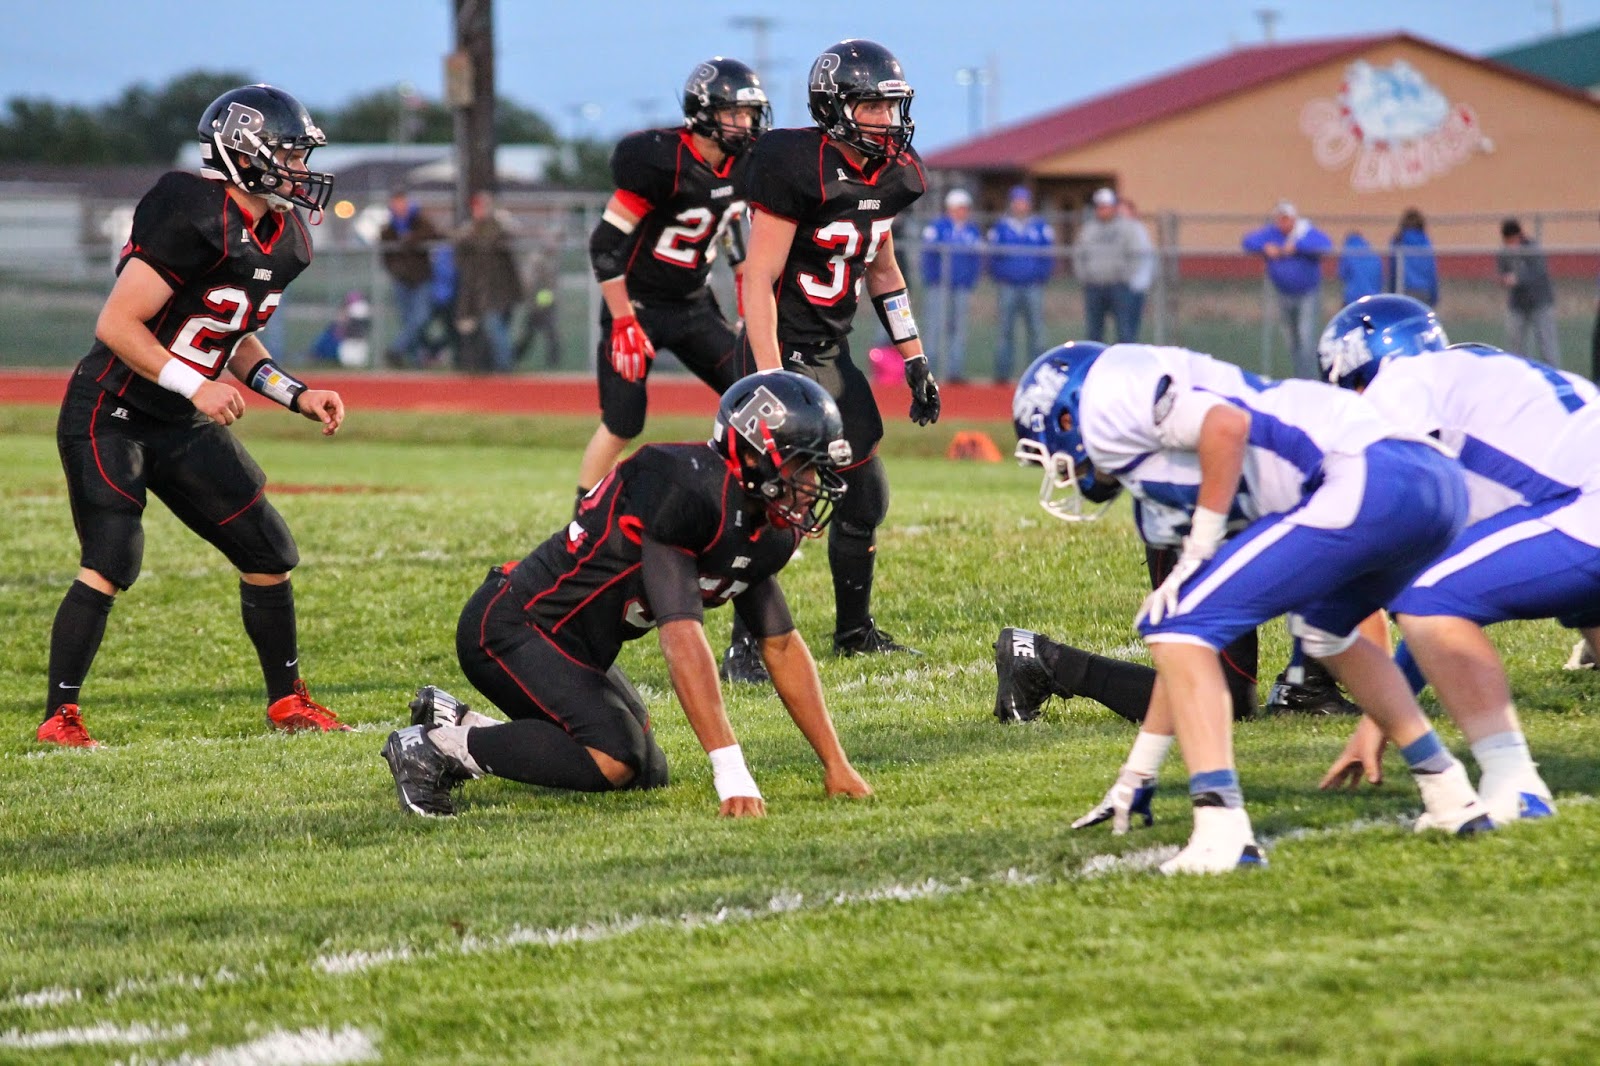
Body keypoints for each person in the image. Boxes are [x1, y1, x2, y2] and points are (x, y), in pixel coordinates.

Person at [1011, 339, 1492, 873]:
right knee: (1322, 634)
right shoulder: (1158, 485)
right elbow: (1185, 661)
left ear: (1067, 415)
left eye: (1046, 448)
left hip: (1364, 471)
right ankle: (1450, 794)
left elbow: (1225, 426)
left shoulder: (1111, 394)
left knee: (1181, 625)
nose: (1058, 472)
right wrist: (1138, 772)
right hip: (1433, 485)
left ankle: (1223, 831)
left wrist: (1201, 542)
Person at [381, 372, 872, 817]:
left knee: (644, 771)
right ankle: (431, 749)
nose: (811, 484)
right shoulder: (685, 489)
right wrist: (732, 774)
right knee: (614, 757)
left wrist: (836, 764)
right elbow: (681, 637)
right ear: (750, 455)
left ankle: (455, 721)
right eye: (801, 466)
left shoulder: (767, 529)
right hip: (512, 628)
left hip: (575, 645)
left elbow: (780, 644)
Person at [40, 84, 348, 748]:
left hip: (179, 418)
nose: (300, 170)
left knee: (268, 550)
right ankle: (58, 716)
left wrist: (295, 393)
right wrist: (196, 387)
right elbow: (117, 324)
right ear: (245, 154)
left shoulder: (286, 240)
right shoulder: (190, 210)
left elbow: (230, 335)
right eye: (290, 155)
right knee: (112, 555)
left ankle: (287, 702)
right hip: (112, 408)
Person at [1315, 296, 1600, 822]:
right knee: (1585, 604)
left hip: (1589, 506)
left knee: (1425, 596)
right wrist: (1377, 721)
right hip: (1581, 497)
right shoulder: (1480, 372)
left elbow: (1421, 579)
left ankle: (1515, 784)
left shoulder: (1400, 386)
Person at [735, 37, 940, 662]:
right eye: (871, 106)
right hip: (779, 346)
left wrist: (914, 356)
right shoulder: (796, 163)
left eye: (890, 105)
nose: (885, 119)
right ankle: (746, 645)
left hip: (830, 350)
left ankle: (854, 634)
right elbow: (757, 279)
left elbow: (883, 269)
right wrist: (768, 377)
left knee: (864, 497)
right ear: (834, 107)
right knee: (772, 501)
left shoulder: (897, 173)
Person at [574, 57, 767, 508]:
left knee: (755, 400)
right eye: (733, 113)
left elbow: (735, 236)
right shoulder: (663, 162)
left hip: (693, 305)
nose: (744, 124)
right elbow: (604, 245)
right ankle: (582, 519)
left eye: (749, 113)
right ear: (704, 114)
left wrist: (747, 306)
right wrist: (623, 320)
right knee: (623, 422)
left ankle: (751, 508)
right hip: (637, 308)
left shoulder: (743, 165)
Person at [1241, 200, 1332, 379]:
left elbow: (1324, 245)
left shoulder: (1304, 231)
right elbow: (1248, 241)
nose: (1283, 222)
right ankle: (1299, 375)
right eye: (1280, 219)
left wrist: (1298, 247)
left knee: (1306, 338)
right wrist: (1265, 248)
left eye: (1287, 218)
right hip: (1283, 293)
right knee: (1292, 340)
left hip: (1307, 293)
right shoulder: (1271, 234)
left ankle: (1309, 378)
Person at [988, 185, 1054, 383]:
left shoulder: (1040, 227)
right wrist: (1001, 275)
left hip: (1033, 285)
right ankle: (1003, 374)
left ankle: (1036, 375)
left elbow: (1048, 255)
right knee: (1005, 330)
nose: (1020, 205)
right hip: (1008, 285)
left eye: (1024, 202)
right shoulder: (1001, 227)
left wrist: (1040, 276)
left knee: (1036, 330)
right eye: (1017, 201)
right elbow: (992, 256)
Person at [453, 190, 524, 373]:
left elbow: (503, 237)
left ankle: (505, 365)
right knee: (493, 327)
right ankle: (501, 365)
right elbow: (458, 248)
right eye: (476, 207)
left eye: (482, 207)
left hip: (501, 289)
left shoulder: (497, 227)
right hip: (483, 291)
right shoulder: (470, 229)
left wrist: (502, 221)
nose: (479, 211)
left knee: (496, 328)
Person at [918, 188, 982, 383]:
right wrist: (933, 278)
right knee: (935, 328)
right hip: (939, 287)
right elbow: (928, 256)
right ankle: (929, 371)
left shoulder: (971, 231)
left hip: (961, 286)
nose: (963, 211)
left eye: (965, 208)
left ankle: (955, 371)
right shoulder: (937, 228)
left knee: (958, 330)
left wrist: (970, 280)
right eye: (959, 207)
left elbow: (976, 259)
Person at [380, 188, 442, 368]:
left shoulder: (420, 221)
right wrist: (396, 271)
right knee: (408, 321)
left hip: (422, 279)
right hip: (402, 280)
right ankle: (417, 360)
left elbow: (433, 234)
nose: (399, 207)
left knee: (421, 317)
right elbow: (385, 256)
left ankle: (396, 349)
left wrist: (410, 239)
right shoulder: (389, 228)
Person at [1071, 188, 1140, 344]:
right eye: (1100, 206)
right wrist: (1085, 276)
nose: (1103, 210)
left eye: (1106, 206)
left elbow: (1135, 255)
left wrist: (1125, 275)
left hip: (1119, 286)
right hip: (1094, 287)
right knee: (1094, 333)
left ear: (1114, 207)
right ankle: (1097, 360)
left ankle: (1125, 360)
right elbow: (1079, 254)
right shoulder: (1088, 229)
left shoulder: (1126, 228)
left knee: (1124, 331)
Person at [1497, 218, 1560, 365]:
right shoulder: (1504, 252)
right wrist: (1503, 279)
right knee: (1515, 344)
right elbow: (1501, 272)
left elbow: (1537, 272)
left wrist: (1517, 278)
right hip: (1517, 304)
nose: (1510, 244)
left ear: (1519, 236)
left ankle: (1553, 373)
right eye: (1507, 241)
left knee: (1546, 343)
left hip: (1540, 302)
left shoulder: (1532, 249)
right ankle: (1519, 372)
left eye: (1512, 240)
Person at [514, 239, 561, 368]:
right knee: (531, 332)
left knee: (549, 333)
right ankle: (515, 355)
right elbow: (530, 283)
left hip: (546, 303)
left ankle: (553, 361)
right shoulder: (537, 260)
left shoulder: (551, 261)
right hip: (537, 304)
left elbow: (551, 285)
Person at [1120, 198, 1156, 342]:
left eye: (1124, 211)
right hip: (1124, 284)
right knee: (1124, 322)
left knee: (1131, 322)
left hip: (1136, 284)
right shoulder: (1120, 230)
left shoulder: (1138, 230)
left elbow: (1144, 257)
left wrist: (1143, 280)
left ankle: (1130, 347)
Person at [1388, 208, 1438, 307]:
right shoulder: (1425, 242)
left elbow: (1394, 269)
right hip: (1423, 290)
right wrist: (1434, 295)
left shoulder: (1398, 241)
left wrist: (1392, 292)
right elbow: (1431, 271)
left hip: (1403, 289)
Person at [1337, 231, 1383, 305]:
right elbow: (1379, 277)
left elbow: (1342, 274)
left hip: (1353, 297)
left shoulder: (1348, 253)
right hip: (1373, 296)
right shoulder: (1374, 255)